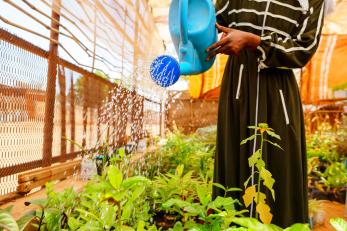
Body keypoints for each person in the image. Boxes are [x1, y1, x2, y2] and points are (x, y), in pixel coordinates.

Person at [206, 0, 325, 228]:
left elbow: (303, 49)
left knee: (279, 169)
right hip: (238, 88)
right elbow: (209, 22)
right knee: (235, 163)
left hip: (277, 91)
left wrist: (256, 42)